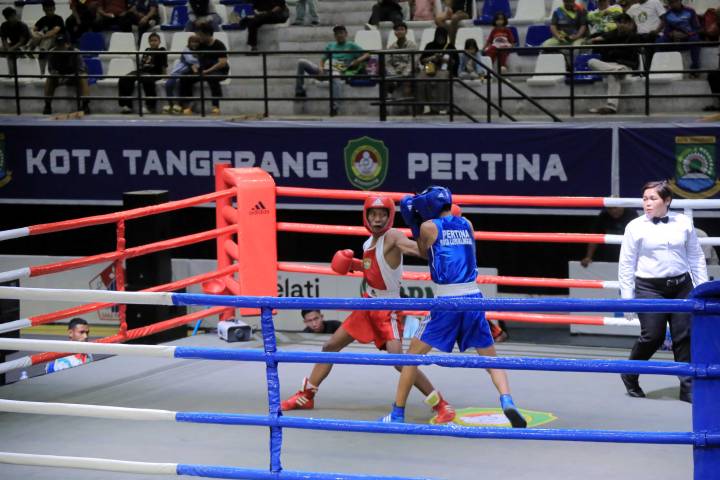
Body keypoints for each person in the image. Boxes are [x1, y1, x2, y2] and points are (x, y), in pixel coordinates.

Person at [281, 194, 456, 424]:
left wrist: (424, 230)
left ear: (389, 217)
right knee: (330, 346)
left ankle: (440, 404)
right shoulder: (368, 243)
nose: (377, 219)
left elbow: (421, 251)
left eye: (382, 215)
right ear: (366, 216)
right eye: (373, 215)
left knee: (400, 361)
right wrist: (352, 264)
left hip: (387, 307)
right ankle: (307, 395)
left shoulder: (393, 236)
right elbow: (372, 269)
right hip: (367, 304)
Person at [380, 186, 526, 426]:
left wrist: (414, 223)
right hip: (473, 297)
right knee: (491, 360)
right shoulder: (467, 224)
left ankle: (397, 414)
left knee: (412, 358)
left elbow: (424, 252)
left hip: (447, 300)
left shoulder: (429, 227)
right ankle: (507, 399)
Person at [618, 180, 708, 403]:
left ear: (667, 200)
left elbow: (696, 257)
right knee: (653, 336)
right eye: (645, 199)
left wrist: (702, 289)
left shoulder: (684, 222)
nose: (647, 203)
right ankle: (630, 373)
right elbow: (626, 264)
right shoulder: (634, 227)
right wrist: (627, 298)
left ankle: (688, 387)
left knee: (684, 337)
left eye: (653, 198)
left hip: (682, 286)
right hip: (649, 287)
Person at [294, 25, 369, 116]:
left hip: (338, 70)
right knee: (301, 62)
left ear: (346, 34)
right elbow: (323, 59)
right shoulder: (330, 45)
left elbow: (367, 54)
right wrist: (321, 68)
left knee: (335, 75)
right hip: (325, 70)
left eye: (341, 33)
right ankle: (300, 92)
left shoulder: (351, 45)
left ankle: (335, 107)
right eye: (337, 34)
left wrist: (357, 61)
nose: (339, 35)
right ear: (334, 36)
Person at [587, 13, 650, 115]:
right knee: (591, 61)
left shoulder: (634, 37)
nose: (621, 25)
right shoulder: (614, 33)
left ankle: (611, 107)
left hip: (626, 66)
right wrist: (594, 39)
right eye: (619, 22)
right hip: (613, 67)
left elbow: (629, 55)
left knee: (612, 75)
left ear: (630, 24)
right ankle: (617, 71)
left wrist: (614, 52)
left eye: (623, 23)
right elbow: (602, 37)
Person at [179, 22, 228, 115]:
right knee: (185, 76)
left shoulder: (219, 45)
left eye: (200, 35)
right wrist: (194, 68)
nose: (198, 37)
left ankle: (215, 106)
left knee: (212, 77)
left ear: (208, 34)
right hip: (203, 69)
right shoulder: (200, 44)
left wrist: (207, 71)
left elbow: (222, 63)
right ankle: (188, 104)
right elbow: (189, 57)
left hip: (218, 70)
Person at [118, 31, 166, 114]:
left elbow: (164, 65)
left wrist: (165, 76)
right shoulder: (146, 50)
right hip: (142, 71)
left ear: (159, 42)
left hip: (155, 72)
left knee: (147, 79)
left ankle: (150, 106)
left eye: (155, 40)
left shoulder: (162, 50)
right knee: (124, 79)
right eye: (151, 41)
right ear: (149, 42)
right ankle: (127, 105)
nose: (153, 42)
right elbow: (142, 64)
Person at [43, 34, 91, 115]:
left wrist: (70, 76)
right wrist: (55, 74)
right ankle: (47, 105)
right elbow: (51, 69)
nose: (60, 47)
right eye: (58, 45)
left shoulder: (75, 52)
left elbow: (82, 69)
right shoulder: (52, 52)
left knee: (83, 76)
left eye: (62, 45)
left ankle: (85, 105)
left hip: (74, 77)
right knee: (50, 77)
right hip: (60, 77)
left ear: (68, 44)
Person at [417, 26, 457, 115]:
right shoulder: (429, 45)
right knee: (420, 79)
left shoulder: (450, 46)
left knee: (441, 80)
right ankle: (423, 107)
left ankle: (442, 107)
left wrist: (445, 59)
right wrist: (432, 57)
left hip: (444, 69)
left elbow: (455, 62)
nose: (440, 38)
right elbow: (422, 61)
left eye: (442, 36)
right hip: (429, 68)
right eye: (439, 36)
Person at [656, 0, 701, 74]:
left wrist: (686, 34)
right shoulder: (667, 14)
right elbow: (666, 31)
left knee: (695, 38)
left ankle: (695, 69)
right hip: (673, 38)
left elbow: (697, 29)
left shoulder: (690, 11)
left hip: (688, 37)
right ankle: (661, 68)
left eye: (674, 2)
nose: (673, 4)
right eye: (670, 3)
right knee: (659, 41)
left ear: (680, 1)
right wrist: (672, 34)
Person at [163, 34, 199, 114]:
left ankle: (181, 105)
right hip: (178, 72)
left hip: (187, 74)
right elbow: (190, 60)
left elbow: (197, 63)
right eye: (192, 42)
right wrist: (197, 60)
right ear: (189, 42)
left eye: (196, 42)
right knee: (168, 84)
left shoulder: (200, 51)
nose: (194, 44)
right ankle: (171, 104)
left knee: (183, 82)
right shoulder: (186, 49)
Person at [26, 0, 65, 70]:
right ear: (44, 9)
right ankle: (29, 49)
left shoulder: (58, 19)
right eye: (47, 9)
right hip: (43, 39)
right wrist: (36, 34)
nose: (49, 11)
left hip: (56, 40)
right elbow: (33, 29)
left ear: (54, 8)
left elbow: (55, 31)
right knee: (37, 34)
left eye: (51, 9)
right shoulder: (43, 19)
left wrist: (41, 36)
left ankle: (41, 52)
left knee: (47, 38)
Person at [386, 21, 416, 102]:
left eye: (402, 29)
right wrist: (394, 75)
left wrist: (404, 75)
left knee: (408, 81)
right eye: (397, 30)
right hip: (395, 73)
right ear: (395, 32)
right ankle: (390, 104)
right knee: (385, 80)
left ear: (406, 31)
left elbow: (412, 63)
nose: (399, 31)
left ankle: (408, 105)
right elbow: (388, 64)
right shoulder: (391, 47)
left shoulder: (412, 45)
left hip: (408, 73)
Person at [0, 7, 30, 72]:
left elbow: (22, 42)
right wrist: (7, 48)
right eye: (11, 16)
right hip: (13, 44)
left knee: (12, 53)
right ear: (6, 18)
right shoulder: (4, 25)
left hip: (25, 45)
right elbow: (4, 39)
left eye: (14, 16)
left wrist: (11, 49)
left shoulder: (22, 25)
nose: (14, 18)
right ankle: (7, 72)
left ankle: (13, 72)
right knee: (2, 50)